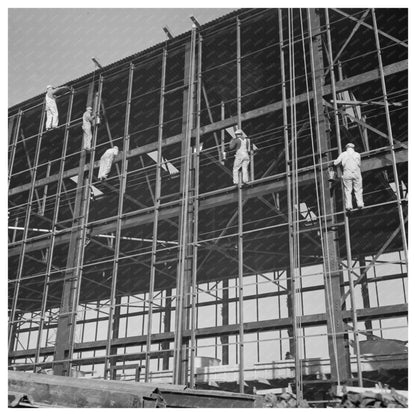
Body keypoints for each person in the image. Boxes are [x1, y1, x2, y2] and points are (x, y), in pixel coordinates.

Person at [333, 143, 364, 211]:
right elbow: (359, 164)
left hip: (347, 173)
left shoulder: (343, 154)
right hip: (356, 173)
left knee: (348, 190)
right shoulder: (357, 154)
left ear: (346, 148)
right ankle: (360, 204)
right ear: (353, 148)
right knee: (358, 189)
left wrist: (337, 162)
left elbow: (336, 163)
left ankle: (349, 206)